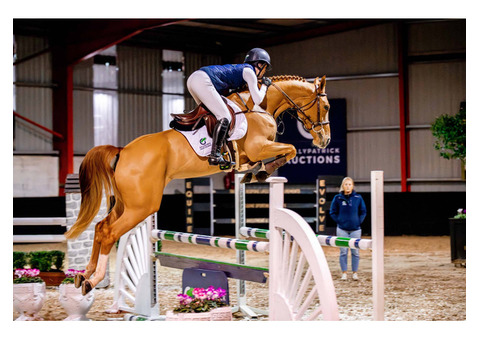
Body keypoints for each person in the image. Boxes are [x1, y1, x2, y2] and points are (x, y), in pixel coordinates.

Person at [186, 47, 272, 166]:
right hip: (203, 80)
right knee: (225, 116)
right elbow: (257, 99)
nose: (263, 73)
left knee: (211, 115)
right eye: (265, 69)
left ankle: (206, 145)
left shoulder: (241, 70)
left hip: (194, 79)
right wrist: (264, 86)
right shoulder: (249, 71)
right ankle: (215, 155)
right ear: (260, 64)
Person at [329, 177, 367, 280]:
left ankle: (355, 273)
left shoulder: (358, 198)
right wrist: (340, 220)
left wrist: (358, 221)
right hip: (342, 229)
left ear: (352, 186)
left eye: (350, 184)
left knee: (355, 252)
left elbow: (363, 211)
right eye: (346, 184)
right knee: (343, 252)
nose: (348, 186)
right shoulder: (337, 198)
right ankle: (344, 273)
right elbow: (332, 212)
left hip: (355, 230)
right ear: (343, 186)